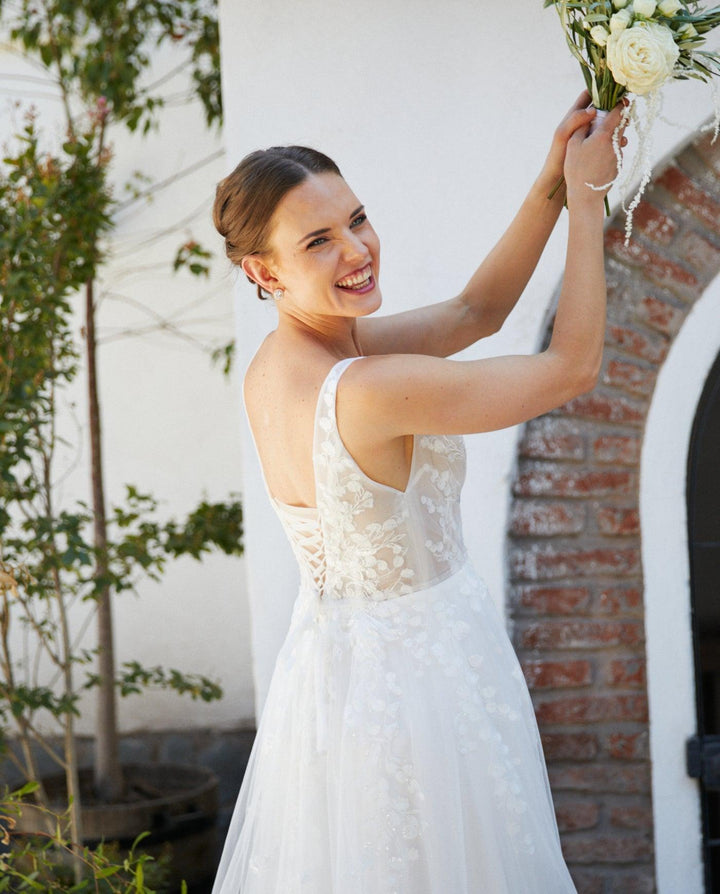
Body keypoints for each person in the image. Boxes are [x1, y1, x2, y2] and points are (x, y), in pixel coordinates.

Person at [211, 91, 624, 894]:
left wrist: (551, 172)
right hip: (422, 689)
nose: (358, 251)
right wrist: (588, 199)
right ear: (263, 270)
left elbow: (479, 310)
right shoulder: (366, 388)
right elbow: (572, 368)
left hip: (338, 678)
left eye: (358, 219)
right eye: (320, 241)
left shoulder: (283, 363)